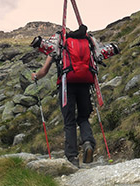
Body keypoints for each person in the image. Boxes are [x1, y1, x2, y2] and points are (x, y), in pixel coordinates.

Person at [31, 25, 119, 168]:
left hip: (67, 85)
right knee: (83, 117)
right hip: (85, 83)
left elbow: (44, 70)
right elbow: (100, 53)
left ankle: (72, 158)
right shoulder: (88, 41)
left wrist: (36, 76)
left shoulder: (61, 44)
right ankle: (88, 142)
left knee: (69, 121)